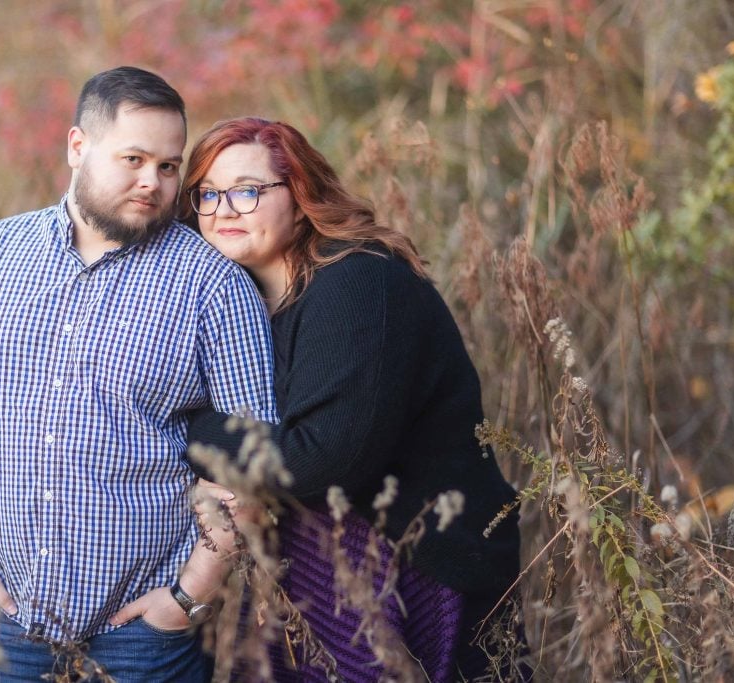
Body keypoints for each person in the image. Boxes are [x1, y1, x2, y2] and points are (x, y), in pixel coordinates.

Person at [0, 68, 278, 682]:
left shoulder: (214, 286)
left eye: (169, 166)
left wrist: (188, 596)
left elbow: (257, 460)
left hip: (144, 637)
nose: (153, 183)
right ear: (77, 146)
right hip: (7, 620)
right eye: (133, 158)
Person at [181, 117, 524, 681]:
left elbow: (317, 460)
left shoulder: (357, 282)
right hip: (318, 561)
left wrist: (186, 426)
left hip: (413, 564)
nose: (223, 210)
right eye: (209, 194)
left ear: (301, 195)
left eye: (247, 190)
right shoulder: (242, 299)